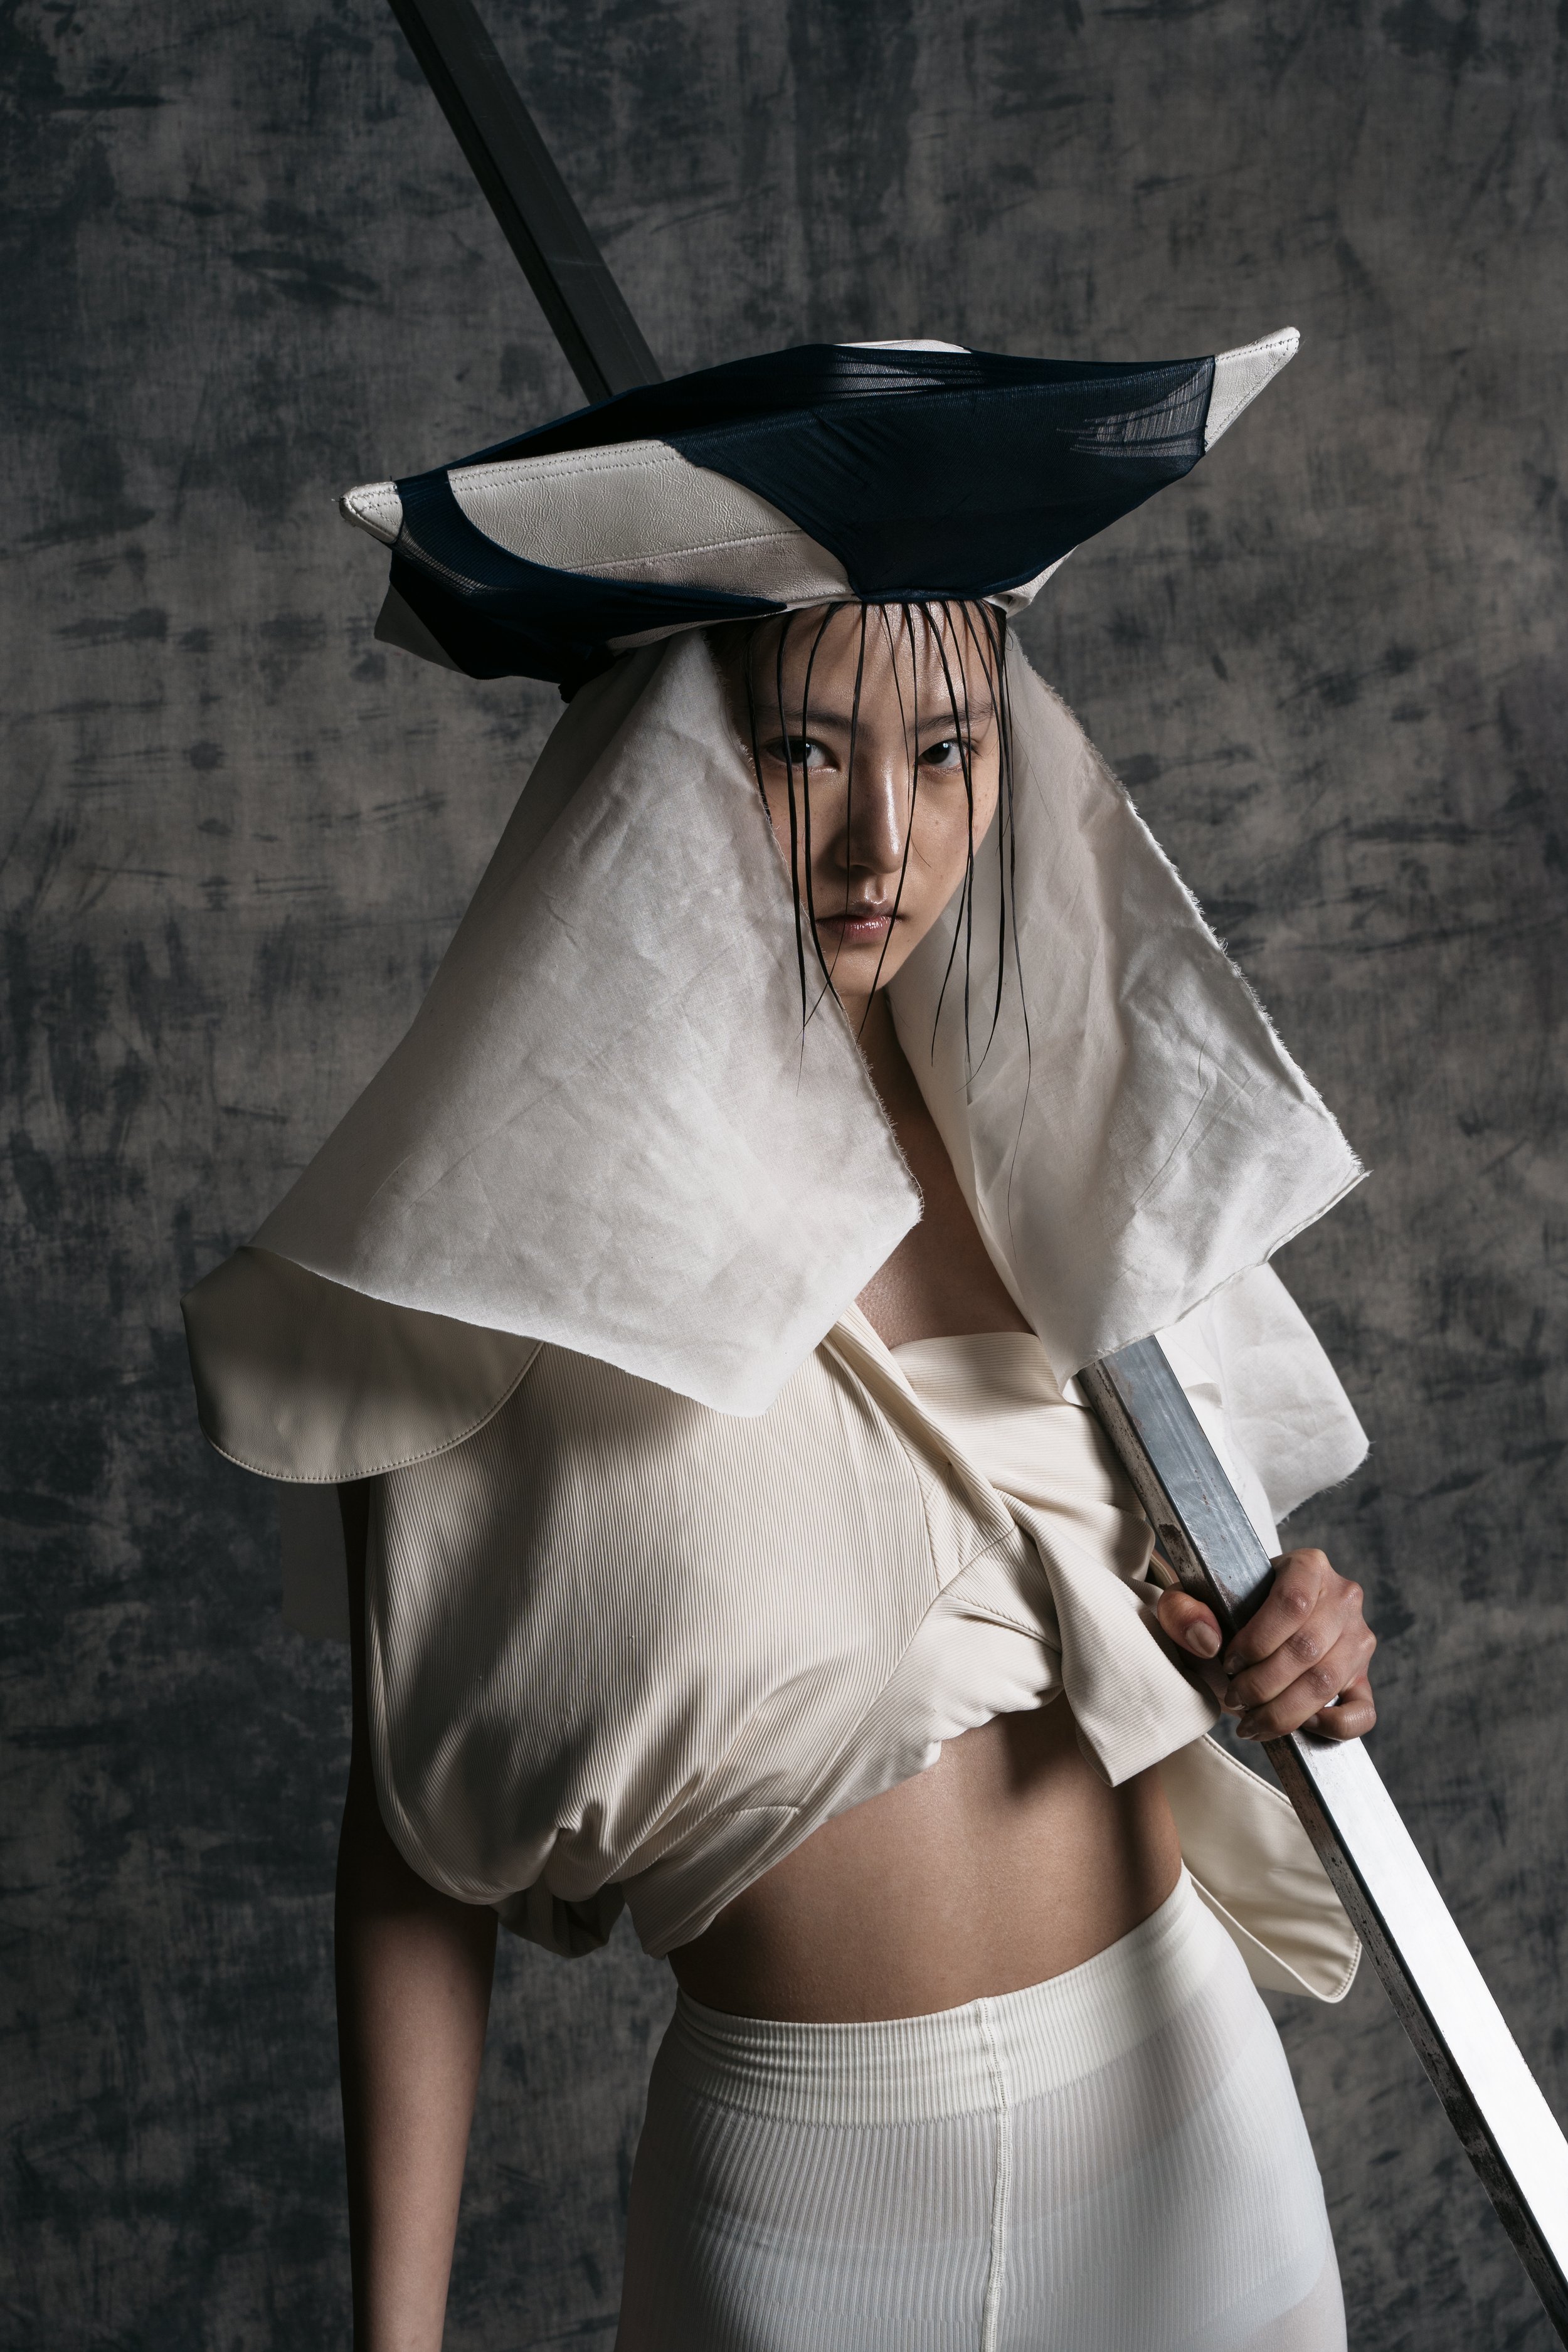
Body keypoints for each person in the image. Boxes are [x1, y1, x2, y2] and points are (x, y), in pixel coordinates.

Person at [184, 334, 1376, 2349]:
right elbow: (414, 1834)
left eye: (943, 752)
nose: (879, 849)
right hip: (813, 2208)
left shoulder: (1064, 1155)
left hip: (1188, 2134)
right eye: (803, 751)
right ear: (668, 764)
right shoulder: (512, 1233)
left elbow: (1188, 1611)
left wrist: (1296, 1638)